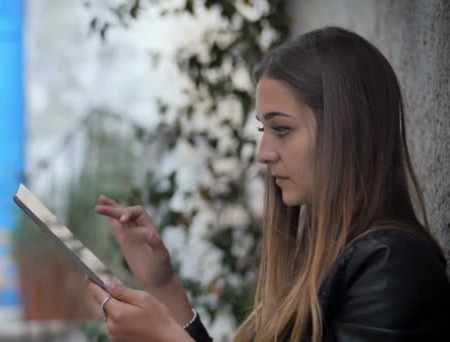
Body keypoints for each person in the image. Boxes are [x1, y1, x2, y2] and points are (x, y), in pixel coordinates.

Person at [86, 26, 450, 341]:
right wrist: (164, 284)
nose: (263, 153)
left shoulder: (393, 266)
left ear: (347, 132)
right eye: (264, 130)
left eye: (282, 129)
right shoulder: (327, 258)